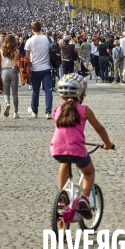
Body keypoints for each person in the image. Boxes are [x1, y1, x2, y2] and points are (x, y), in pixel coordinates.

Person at [50, 73, 113, 218]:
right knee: (89, 172)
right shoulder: (85, 110)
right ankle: (84, 198)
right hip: (77, 149)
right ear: (82, 94)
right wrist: (107, 144)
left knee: (64, 162)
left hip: (57, 149)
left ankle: (62, 196)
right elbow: (100, 129)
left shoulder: (58, 110)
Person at [25, 21, 53, 119]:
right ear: (41, 28)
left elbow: (27, 57)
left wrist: (27, 69)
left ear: (32, 30)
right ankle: (48, 112)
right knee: (48, 91)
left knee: (35, 91)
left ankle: (35, 111)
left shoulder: (29, 41)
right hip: (47, 68)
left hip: (35, 69)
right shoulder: (49, 39)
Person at [0, 34, 20, 119]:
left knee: (6, 92)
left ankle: (7, 103)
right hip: (13, 70)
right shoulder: (16, 51)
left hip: (4, 71)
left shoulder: (1, 50)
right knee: (15, 93)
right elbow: (15, 63)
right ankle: (15, 112)